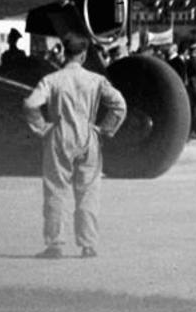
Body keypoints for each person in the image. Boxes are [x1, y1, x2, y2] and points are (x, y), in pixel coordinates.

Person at [22, 33, 127, 259]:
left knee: (55, 190)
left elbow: (30, 103)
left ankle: (55, 245)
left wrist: (42, 127)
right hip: (87, 135)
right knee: (88, 191)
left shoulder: (51, 80)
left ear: (64, 52)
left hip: (59, 135)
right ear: (83, 55)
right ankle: (88, 245)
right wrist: (105, 129)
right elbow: (119, 105)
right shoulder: (96, 80)